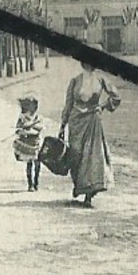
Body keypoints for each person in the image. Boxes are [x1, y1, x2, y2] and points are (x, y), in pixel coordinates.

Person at [59, 58, 119, 208]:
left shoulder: (101, 80)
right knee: (76, 154)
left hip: (92, 120)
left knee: (92, 156)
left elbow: (116, 96)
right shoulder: (75, 81)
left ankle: (88, 195)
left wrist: (103, 106)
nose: (88, 64)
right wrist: (62, 125)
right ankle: (79, 186)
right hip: (76, 122)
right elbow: (68, 104)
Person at [13, 95, 46, 191]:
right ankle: (30, 184)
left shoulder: (38, 117)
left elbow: (41, 127)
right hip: (27, 142)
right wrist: (24, 128)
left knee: (37, 163)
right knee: (29, 163)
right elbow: (18, 129)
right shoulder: (23, 117)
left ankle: (36, 182)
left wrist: (31, 126)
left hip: (36, 142)